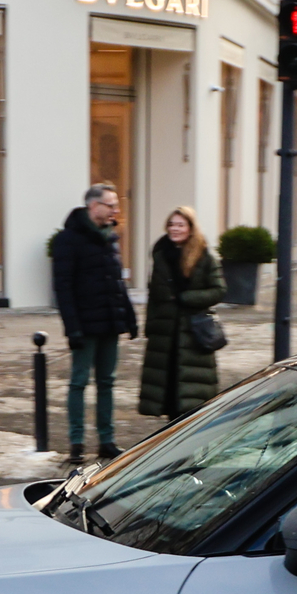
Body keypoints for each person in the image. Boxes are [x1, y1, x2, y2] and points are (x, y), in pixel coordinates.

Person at [50, 182, 136, 461]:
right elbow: (63, 287)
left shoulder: (110, 237)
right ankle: (76, 442)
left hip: (110, 322)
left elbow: (117, 283)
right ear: (93, 206)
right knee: (79, 382)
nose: (116, 209)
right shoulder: (68, 239)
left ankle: (106, 440)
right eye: (111, 204)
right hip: (85, 325)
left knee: (107, 382)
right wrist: (72, 328)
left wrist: (130, 316)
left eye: (116, 204)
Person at [136, 206, 227, 422]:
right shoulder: (160, 254)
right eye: (171, 224)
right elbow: (154, 295)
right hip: (165, 335)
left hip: (193, 334)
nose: (174, 229)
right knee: (166, 392)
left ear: (190, 228)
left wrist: (187, 298)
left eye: (180, 225)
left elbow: (218, 290)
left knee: (191, 396)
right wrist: (150, 327)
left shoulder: (204, 256)